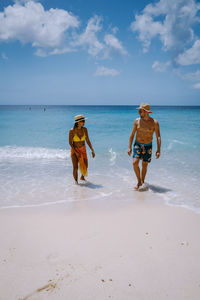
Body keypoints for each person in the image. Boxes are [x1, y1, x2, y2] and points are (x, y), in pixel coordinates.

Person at [128, 103, 161, 190]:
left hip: (148, 146)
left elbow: (158, 136)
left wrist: (158, 150)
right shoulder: (137, 121)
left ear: (146, 112)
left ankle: (142, 181)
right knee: (135, 163)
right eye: (139, 111)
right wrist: (129, 147)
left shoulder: (154, 123)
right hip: (138, 144)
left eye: (140, 111)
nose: (139, 113)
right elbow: (132, 135)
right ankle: (139, 181)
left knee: (144, 165)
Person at [69, 115, 95, 184]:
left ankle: (82, 177)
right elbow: (70, 143)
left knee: (86, 166)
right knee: (75, 167)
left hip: (83, 150)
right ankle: (76, 182)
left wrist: (92, 150)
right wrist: (76, 152)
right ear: (78, 122)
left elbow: (88, 140)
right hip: (74, 150)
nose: (84, 122)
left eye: (84, 121)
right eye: (82, 121)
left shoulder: (85, 129)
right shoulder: (72, 131)